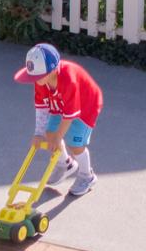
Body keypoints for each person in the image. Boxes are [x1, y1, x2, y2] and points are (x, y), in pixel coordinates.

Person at [16, 41, 101, 196]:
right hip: (61, 103)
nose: (35, 80)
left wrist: (59, 136)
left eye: (39, 76)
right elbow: (42, 108)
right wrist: (38, 133)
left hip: (85, 106)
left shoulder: (69, 80)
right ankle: (65, 164)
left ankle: (87, 176)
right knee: (50, 133)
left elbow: (70, 114)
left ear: (54, 69)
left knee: (75, 145)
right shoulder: (41, 82)